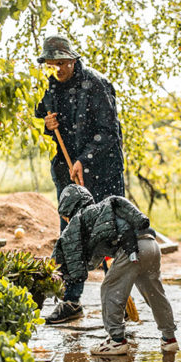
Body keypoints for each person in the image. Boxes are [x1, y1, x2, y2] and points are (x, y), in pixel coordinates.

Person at [35, 35, 125, 323]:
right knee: (71, 234)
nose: (57, 69)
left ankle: (118, 302)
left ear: (73, 60)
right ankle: (71, 302)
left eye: (62, 63)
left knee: (108, 232)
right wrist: (49, 125)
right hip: (68, 172)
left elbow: (108, 133)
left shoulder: (96, 85)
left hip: (102, 171)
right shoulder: (52, 86)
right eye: (52, 64)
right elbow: (47, 115)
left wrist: (83, 160)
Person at [49, 184, 179, 355]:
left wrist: (58, 269)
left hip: (131, 249)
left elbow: (69, 246)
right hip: (151, 244)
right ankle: (169, 338)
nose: (66, 220)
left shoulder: (78, 219)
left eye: (65, 216)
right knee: (154, 293)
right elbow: (96, 255)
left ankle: (116, 340)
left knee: (110, 289)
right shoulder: (101, 212)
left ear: (69, 209)